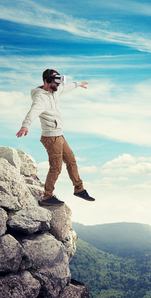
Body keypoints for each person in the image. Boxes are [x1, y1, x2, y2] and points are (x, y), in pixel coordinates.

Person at [16, 69, 95, 206]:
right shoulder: (40, 98)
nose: (58, 85)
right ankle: (47, 196)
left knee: (71, 161)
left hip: (59, 136)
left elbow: (66, 87)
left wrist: (77, 84)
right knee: (56, 168)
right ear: (47, 81)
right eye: (56, 81)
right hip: (51, 138)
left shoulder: (54, 91)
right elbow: (33, 111)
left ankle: (79, 189)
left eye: (59, 82)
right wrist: (25, 125)